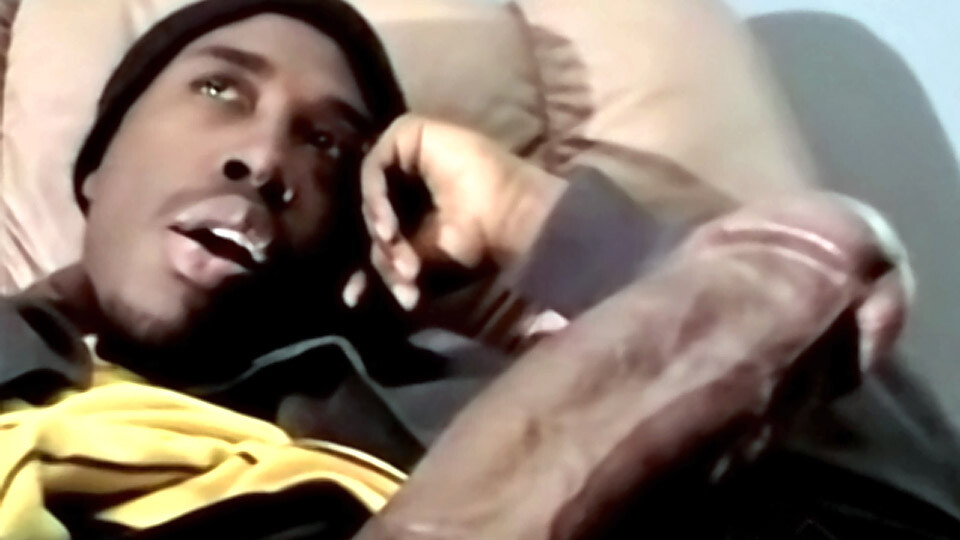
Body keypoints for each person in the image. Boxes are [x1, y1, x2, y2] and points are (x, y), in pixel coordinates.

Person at [1, 0, 957, 538]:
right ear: (96, 168)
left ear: (355, 243)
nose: (263, 157)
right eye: (219, 88)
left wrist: (537, 226)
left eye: (329, 144)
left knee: (813, 264)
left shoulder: (462, 409)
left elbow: (897, 520)